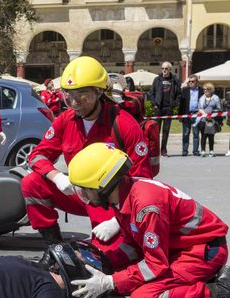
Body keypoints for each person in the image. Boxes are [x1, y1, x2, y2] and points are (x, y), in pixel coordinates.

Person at [67, 142, 230, 298]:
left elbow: (155, 265)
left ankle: (219, 292)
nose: (84, 196)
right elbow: (133, 245)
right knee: (121, 281)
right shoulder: (124, 194)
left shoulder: (146, 205)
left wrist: (109, 282)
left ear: (103, 185)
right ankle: (198, 280)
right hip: (176, 248)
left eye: (85, 190)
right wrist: (104, 261)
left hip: (202, 252)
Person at [21, 56, 152, 247]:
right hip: (77, 191)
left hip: (109, 199)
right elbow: (37, 155)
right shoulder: (66, 120)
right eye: (69, 95)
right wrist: (57, 177)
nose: (74, 103)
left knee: (107, 253)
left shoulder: (123, 124)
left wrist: (118, 221)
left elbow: (143, 180)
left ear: (99, 92)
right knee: (31, 183)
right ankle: (55, 248)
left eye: (83, 95)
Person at [147, 61, 181, 157]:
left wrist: (174, 104)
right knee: (156, 131)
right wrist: (154, 104)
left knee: (166, 131)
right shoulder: (157, 79)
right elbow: (150, 93)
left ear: (170, 69)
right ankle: (155, 150)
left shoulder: (174, 80)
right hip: (158, 108)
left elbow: (179, 94)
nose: (164, 70)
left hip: (168, 109)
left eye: (166, 68)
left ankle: (163, 150)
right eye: (162, 68)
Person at [197, 82, 222, 157]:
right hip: (203, 120)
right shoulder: (201, 98)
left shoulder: (216, 98)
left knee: (211, 136)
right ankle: (203, 151)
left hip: (212, 120)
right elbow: (200, 108)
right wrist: (205, 114)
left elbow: (219, 109)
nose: (205, 91)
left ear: (211, 90)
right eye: (204, 89)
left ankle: (211, 151)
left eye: (206, 89)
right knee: (203, 136)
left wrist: (212, 114)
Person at [179, 74, 201, 156]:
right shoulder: (185, 90)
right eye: (190, 81)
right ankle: (185, 150)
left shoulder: (201, 90)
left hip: (196, 114)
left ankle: (195, 151)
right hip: (186, 115)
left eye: (193, 81)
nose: (191, 83)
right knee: (185, 133)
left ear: (197, 82)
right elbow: (181, 103)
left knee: (196, 133)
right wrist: (180, 115)